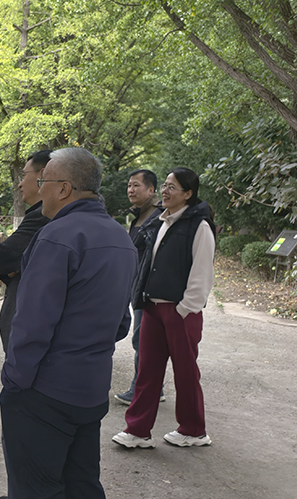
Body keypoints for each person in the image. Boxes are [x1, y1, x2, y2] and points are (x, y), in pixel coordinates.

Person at [0, 147, 137, 498]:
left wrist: (13, 381)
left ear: (64, 188)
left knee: (35, 488)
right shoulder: (121, 238)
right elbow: (121, 323)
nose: (38, 188)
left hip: (44, 393)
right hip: (91, 390)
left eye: (43, 181)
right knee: (82, 484)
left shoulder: (56, 236)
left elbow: (32, 325)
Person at [112, 167, 216, 449]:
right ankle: (137, 430)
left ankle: (194, 430)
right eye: (165, 186)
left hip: (180, 311)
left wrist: (184, 308)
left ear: (188, 194)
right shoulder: (161, 221)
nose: (165, 191)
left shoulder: (199, 226)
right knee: (147, 371)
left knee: (185, 372)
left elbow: (202, 272)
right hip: (153, 307)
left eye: (172, 187)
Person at [0, 150, 51, 353]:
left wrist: (16, 265)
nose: (19, 184)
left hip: (29, 339)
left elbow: (0, 257)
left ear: (43, 175)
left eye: (24, 176)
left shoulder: (44, 217)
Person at [115, 169, 166, 405]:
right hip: (137, 285)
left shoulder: (157, 217)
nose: (131, 190)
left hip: (148, 288)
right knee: (144, 338)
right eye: (129, 185)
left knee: (143, 339)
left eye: (136, 185)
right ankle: (155, 387)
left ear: (151, 189)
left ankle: (141, 388)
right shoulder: (140, 215)